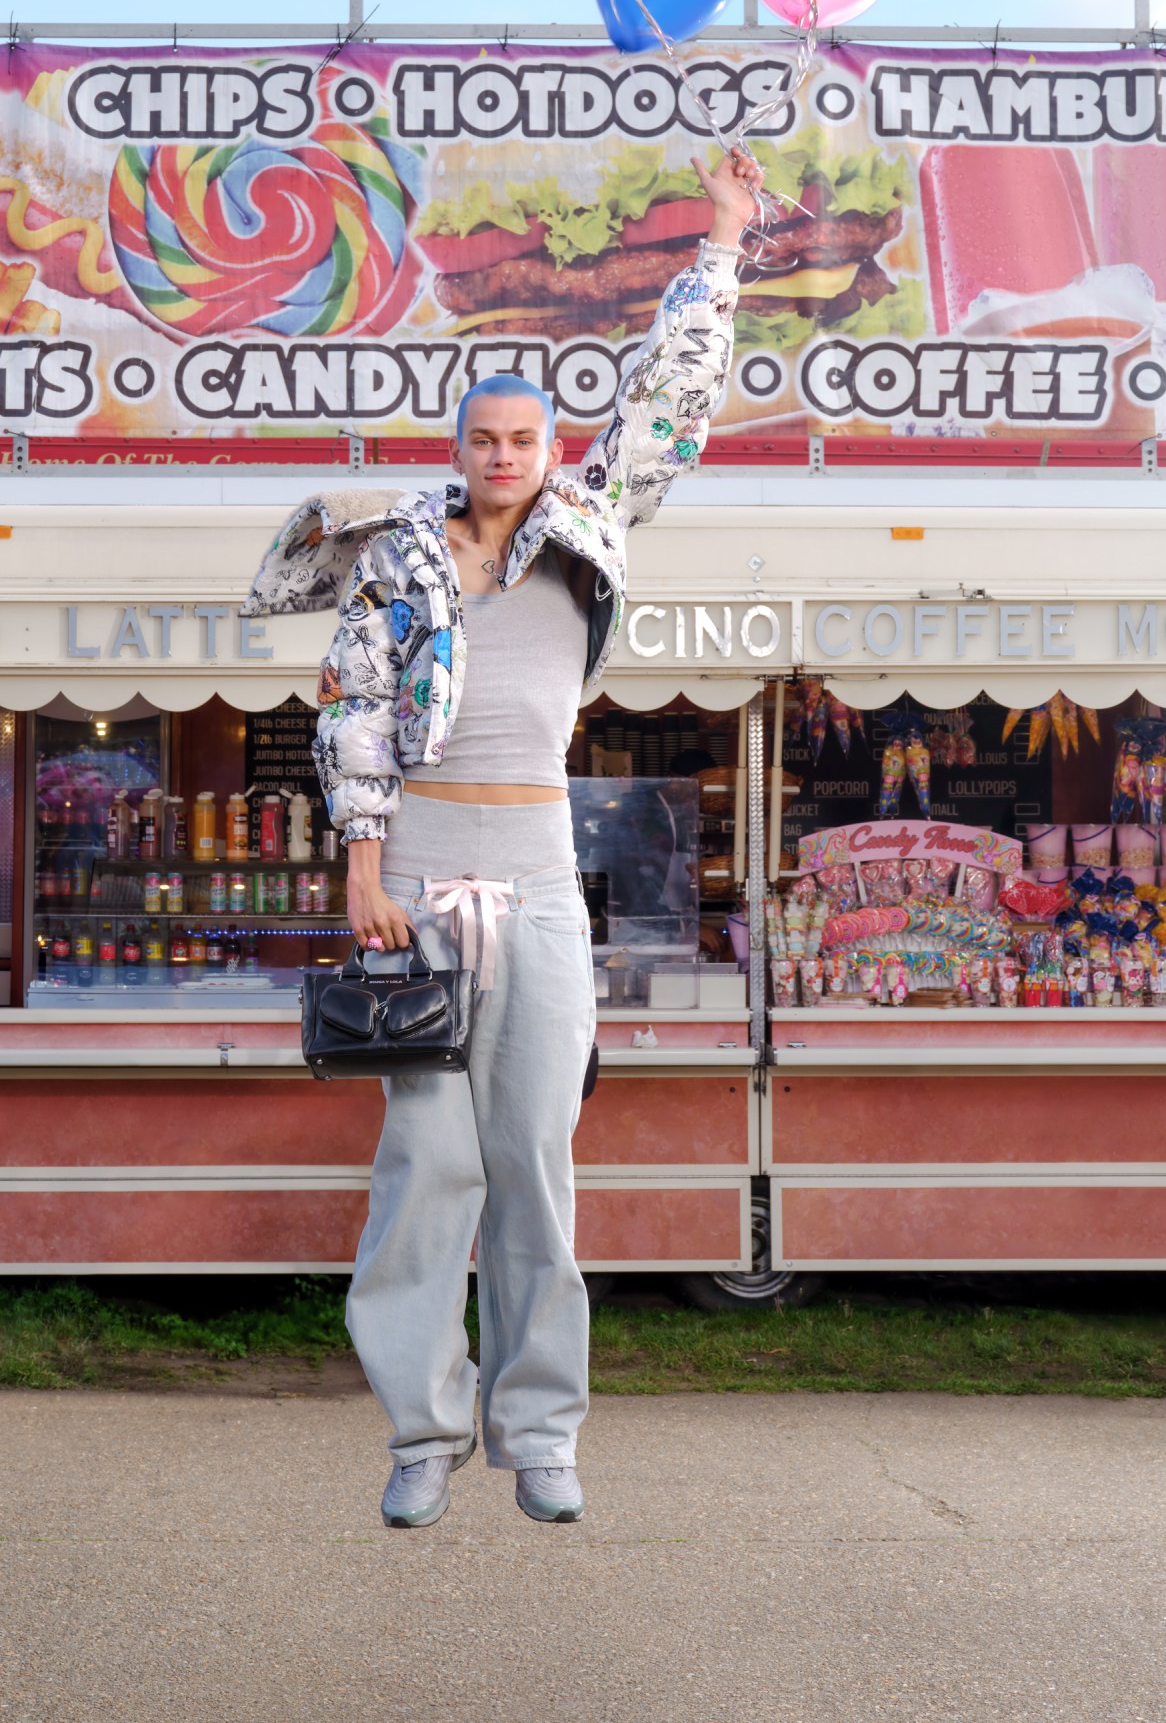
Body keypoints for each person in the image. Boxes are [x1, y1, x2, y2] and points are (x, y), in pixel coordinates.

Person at [244, 145, 762, 1529]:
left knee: (534, 1150)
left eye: (525, 442)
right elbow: (354, 707)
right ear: (459, 451)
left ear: (548, 453)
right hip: (414, 863)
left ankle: (542, 1433)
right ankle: (423, 1430)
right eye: (484, 441)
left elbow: (670, 397)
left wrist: (718, 245)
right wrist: (360, 864)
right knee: (432, 1158)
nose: (503, 460)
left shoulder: (592, 527)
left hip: (537, 869)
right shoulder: (400, 556)